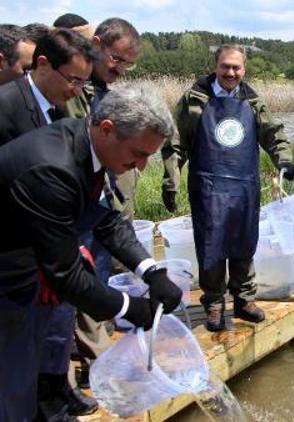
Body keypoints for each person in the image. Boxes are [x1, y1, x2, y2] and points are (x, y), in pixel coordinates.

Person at [0, 82, 183, 421]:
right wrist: (129, 307)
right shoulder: (52, 170)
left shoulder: (90, 148)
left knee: (27, 373)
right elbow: (66, 275)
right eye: (139, 154)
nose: (142, 166)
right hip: (8, 274)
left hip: (27, 267)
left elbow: (108, 221)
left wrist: (152, 272)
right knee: (10, 386)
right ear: (108, 129)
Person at [162, 44, 294, 331]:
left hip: (244, 185)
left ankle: (245, 300)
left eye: (236, 67)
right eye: (225, 66)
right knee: (211, 245)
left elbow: (273, 134)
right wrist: (170, 181)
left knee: (243, 241)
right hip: (207, 187)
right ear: (216, 66)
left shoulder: (252, 100)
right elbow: (175, 144)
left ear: (244, 69)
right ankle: (213, 304)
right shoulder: (194, 100)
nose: (230, 72)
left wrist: (284, 160)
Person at [0, 28, 97, 420]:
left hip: (38, 261)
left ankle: (45, 397)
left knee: (31, 354)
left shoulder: (57, 110)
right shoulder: (6, 108)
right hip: (11, 261)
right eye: (73, 79)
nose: (77, 91)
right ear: (42, 65)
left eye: (84, 83)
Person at [62, 16, 140, 396]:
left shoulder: (102, 90)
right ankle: (79, 376)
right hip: (71, 209)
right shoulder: (72, 91)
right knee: (70, 294)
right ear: (95, 44)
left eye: (128, 64)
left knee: (98, 278)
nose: (121, 70)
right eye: (117, 60)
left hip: (102, 207)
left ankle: (96, 365)